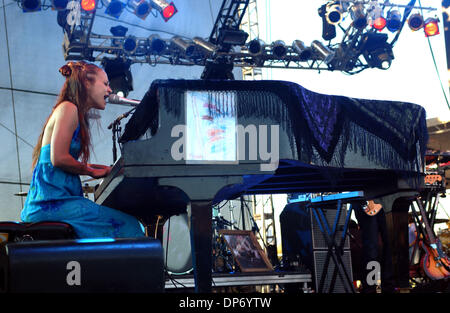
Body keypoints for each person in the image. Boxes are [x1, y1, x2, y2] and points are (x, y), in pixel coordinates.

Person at [20, 61, 146, 238]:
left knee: (126, 225)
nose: (110, 90)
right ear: (87, 82)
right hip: (51, 203)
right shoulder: (68, 108)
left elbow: (61, 160)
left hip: (58, 201)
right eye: (105, 83)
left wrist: (99, 169)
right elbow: (58, 158)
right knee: (131, 225)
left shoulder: (74, 112)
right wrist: (88, 170)